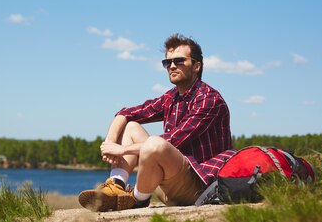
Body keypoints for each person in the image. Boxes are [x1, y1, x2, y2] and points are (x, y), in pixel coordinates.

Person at [78, 34, 234, 212]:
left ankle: (137, 199)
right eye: (168, 62)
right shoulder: (171, 97)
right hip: (172, 181)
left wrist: (121, 150)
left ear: (196, 66)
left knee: (155, 144)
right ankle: (116, 184)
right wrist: (110, 142)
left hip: (200, 188)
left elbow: (173, 140)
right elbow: (125, 113)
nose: (172, 66)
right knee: (131, 126)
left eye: (179, 61)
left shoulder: (209, 99)